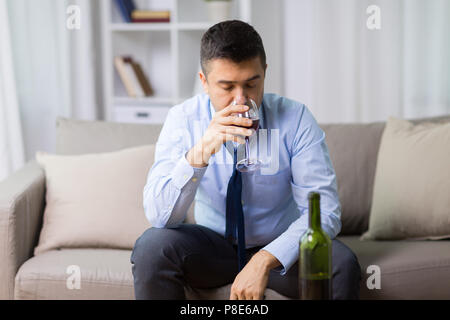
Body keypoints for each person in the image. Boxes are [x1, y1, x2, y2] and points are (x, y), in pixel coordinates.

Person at [131, 20, 361, 300]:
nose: (240, 100)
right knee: (152, 246)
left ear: (265, 73)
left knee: (342, 264)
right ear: (204, 82)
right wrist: (202, 151)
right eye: (226, 87)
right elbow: (160, 216)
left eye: (251, 84)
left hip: (279, 252)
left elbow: (324, 212)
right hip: (212, 250)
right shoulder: (183, 119)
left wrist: (265, 259)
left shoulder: (296, 119)